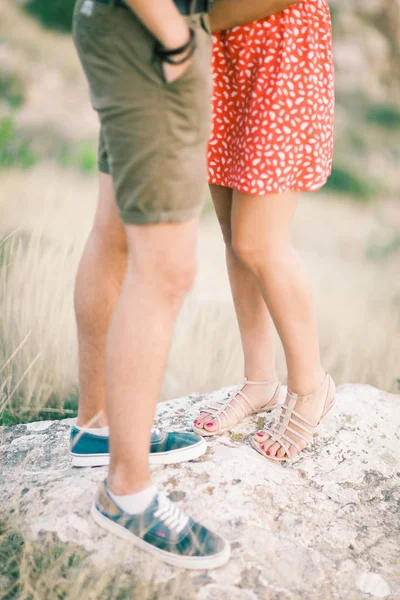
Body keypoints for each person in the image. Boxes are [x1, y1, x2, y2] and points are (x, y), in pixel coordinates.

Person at [71, 0, 232, 570]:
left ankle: (98, 427)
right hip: (150, 31)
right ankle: (127, 491)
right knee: (165, 269)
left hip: (125, 26)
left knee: (114, 230)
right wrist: (176, 38)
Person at [193, 0, 337, 463]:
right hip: (225, 53)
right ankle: (260, 382)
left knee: (260, 241)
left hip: (278, 48)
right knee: (234, 234)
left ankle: (311, 386)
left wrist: (192, 22)